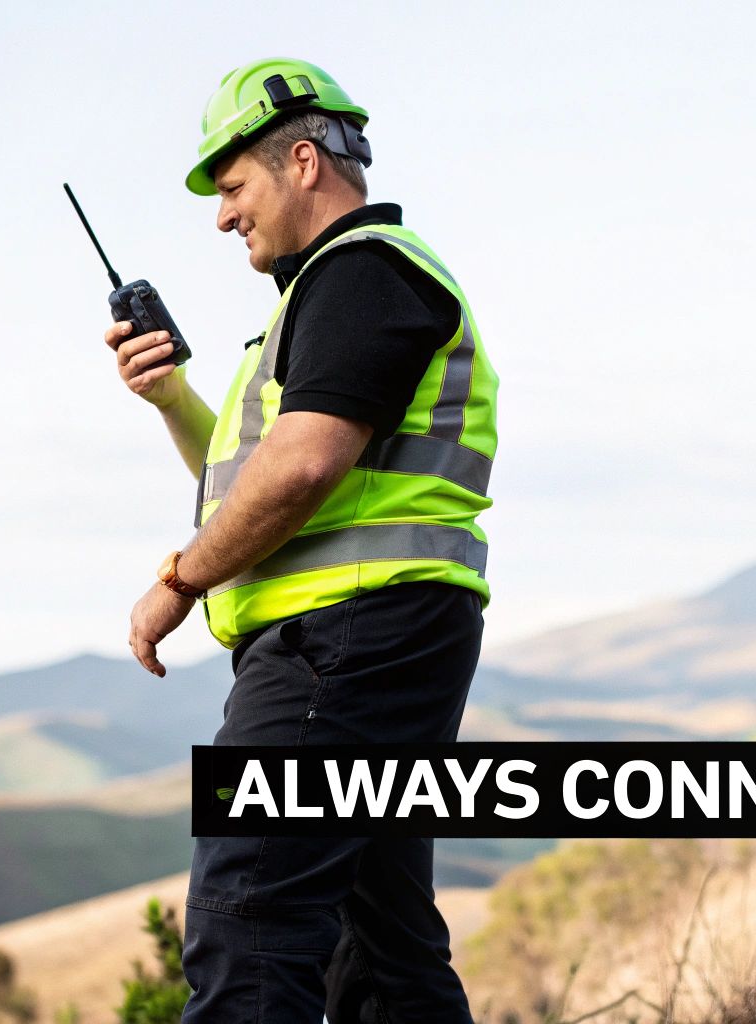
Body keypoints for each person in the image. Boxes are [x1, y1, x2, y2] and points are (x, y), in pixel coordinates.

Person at [102, 57, 496, 1023]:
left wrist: (180, 581)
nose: (224, 216)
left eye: (234, 187)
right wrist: (172, 399)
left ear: (304, 161)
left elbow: (304, 467)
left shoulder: (363, 275)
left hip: (343, 640)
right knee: (382, 948)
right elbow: (243, 483)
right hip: (379, 637)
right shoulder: (326, 301)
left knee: (250, 917)